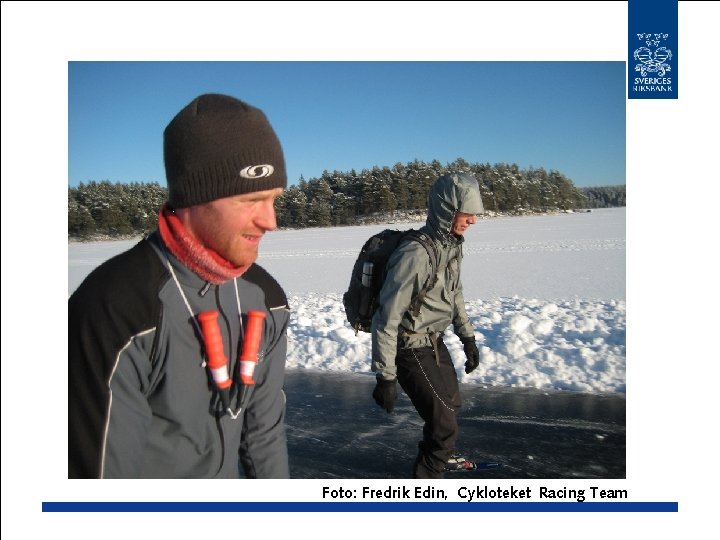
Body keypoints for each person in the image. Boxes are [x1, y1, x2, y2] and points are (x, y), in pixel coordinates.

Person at [69, 93, 291, 478]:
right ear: (193, 197)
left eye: (274, 199)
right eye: (251, 200)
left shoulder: (267, 299)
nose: (270, 221)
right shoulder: (114, 309)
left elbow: (264, 437)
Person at [370, 171, 484, 478]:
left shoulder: (451, 246)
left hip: (434, 340)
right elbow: (386, 317)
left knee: (451, 404)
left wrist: (468, 338)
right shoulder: (415, 254)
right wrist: (385, 376)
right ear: (448, 209)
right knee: (443, 423)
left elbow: (455, 293)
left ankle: (441, 453)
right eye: (467, 212)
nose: (473, 220)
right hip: (409, 346)